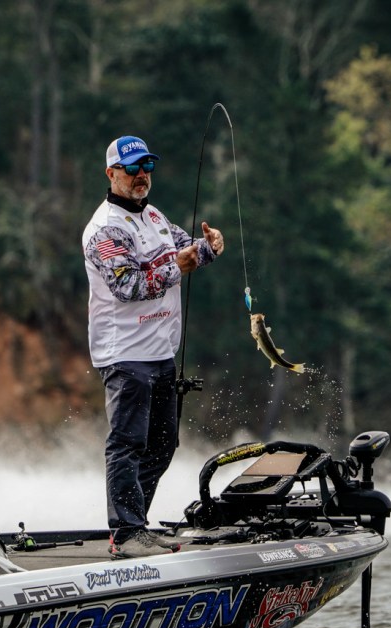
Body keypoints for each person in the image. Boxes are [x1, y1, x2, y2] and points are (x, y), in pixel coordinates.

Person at [82, 135, 224, 559]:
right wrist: (179, 266)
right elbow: (128, 285)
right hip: (125, 353)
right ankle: (126, 532)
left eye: (147, 167)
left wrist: (210, 246)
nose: (141, 175)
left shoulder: (154, 216)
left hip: (161, 351)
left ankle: (137, 524)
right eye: (131, 169)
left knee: (163, 444)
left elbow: (187, 251)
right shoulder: (105, 229)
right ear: (111, 174)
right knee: (128, 443)